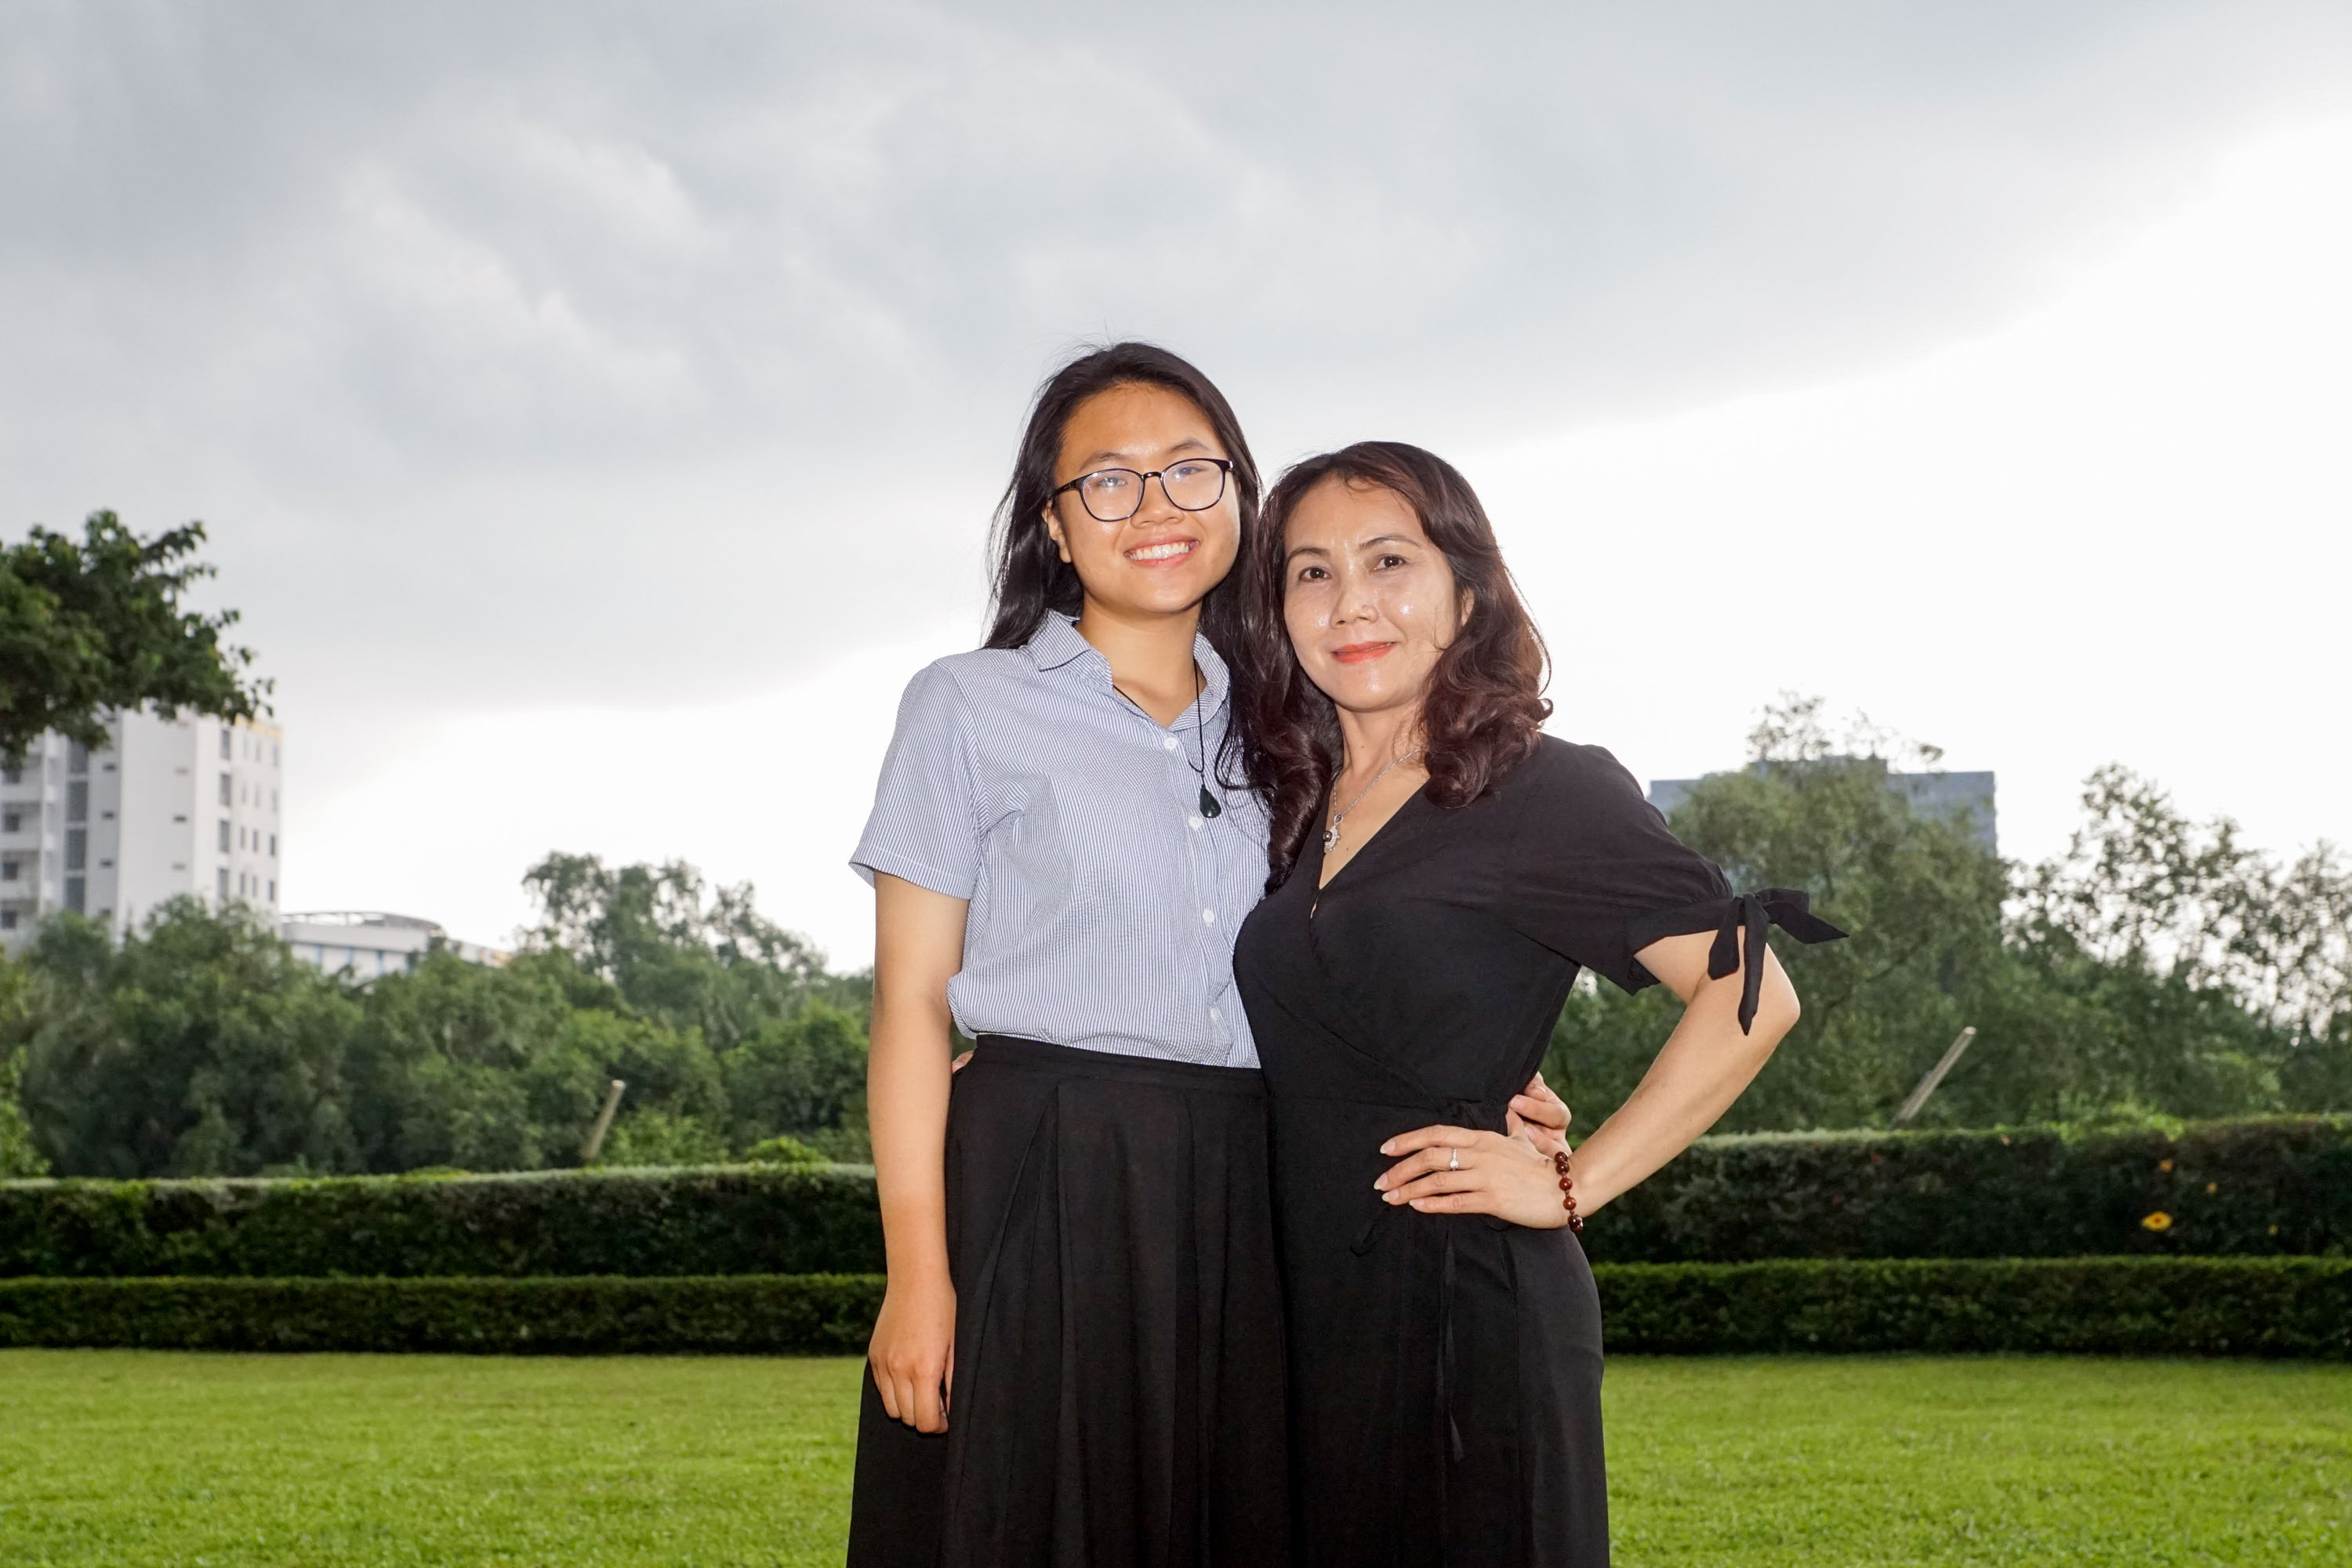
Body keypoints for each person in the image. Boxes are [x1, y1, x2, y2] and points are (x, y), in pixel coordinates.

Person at [1232, 441, 1845, 1566]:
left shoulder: (1540, 787)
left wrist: (1574, 1182)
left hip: (1470, 1312)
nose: (1350, 601)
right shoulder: (1288, 807)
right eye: (1311, 572)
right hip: (1307, 1312)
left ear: (1466, 593)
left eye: (1388, 561)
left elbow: (1755, 995)